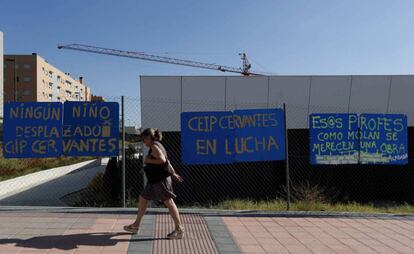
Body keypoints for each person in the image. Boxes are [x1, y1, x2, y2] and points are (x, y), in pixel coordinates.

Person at [124, 128, 184, 239]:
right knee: (143, 198)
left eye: (144, 140)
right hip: (154, 180)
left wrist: (148, 160)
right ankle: (136, 225)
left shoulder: (154, 146)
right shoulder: (158, 145)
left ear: (148, 138)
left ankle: (179, 229)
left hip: (160, 180)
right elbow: (167, 161)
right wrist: (174, 173)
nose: (144, 143)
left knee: (169, 202)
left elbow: (162, 160)